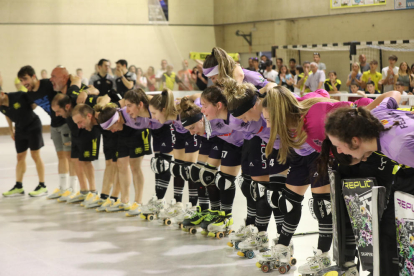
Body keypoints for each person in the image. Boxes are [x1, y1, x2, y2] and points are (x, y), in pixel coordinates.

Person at [18, 65, 77, 199]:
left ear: (34, 77)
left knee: (70, 157)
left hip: (65, 123)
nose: (24, 83)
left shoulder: (48, 84)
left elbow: (66, 81)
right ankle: (63, 188)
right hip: (54, 125)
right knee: (61, 157)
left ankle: (73, 189)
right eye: (21, 81)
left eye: (25, 79)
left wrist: (73, 78)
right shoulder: (30, 94)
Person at [0, 91, 46, 197]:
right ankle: (18, 186)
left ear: (2, 94)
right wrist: (11, 130)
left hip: (33, 126)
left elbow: (34, 103)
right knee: (20, 156)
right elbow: (7, 114)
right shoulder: (1, 106)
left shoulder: (18, 95)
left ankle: (42, 185)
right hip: (20, 129)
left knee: (35, 155)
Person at [202, 47, 267, 88]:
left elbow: (271, 88)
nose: (213, 81)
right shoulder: (224, 84)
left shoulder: (248, 75)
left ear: (221, 71)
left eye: (213, 78)